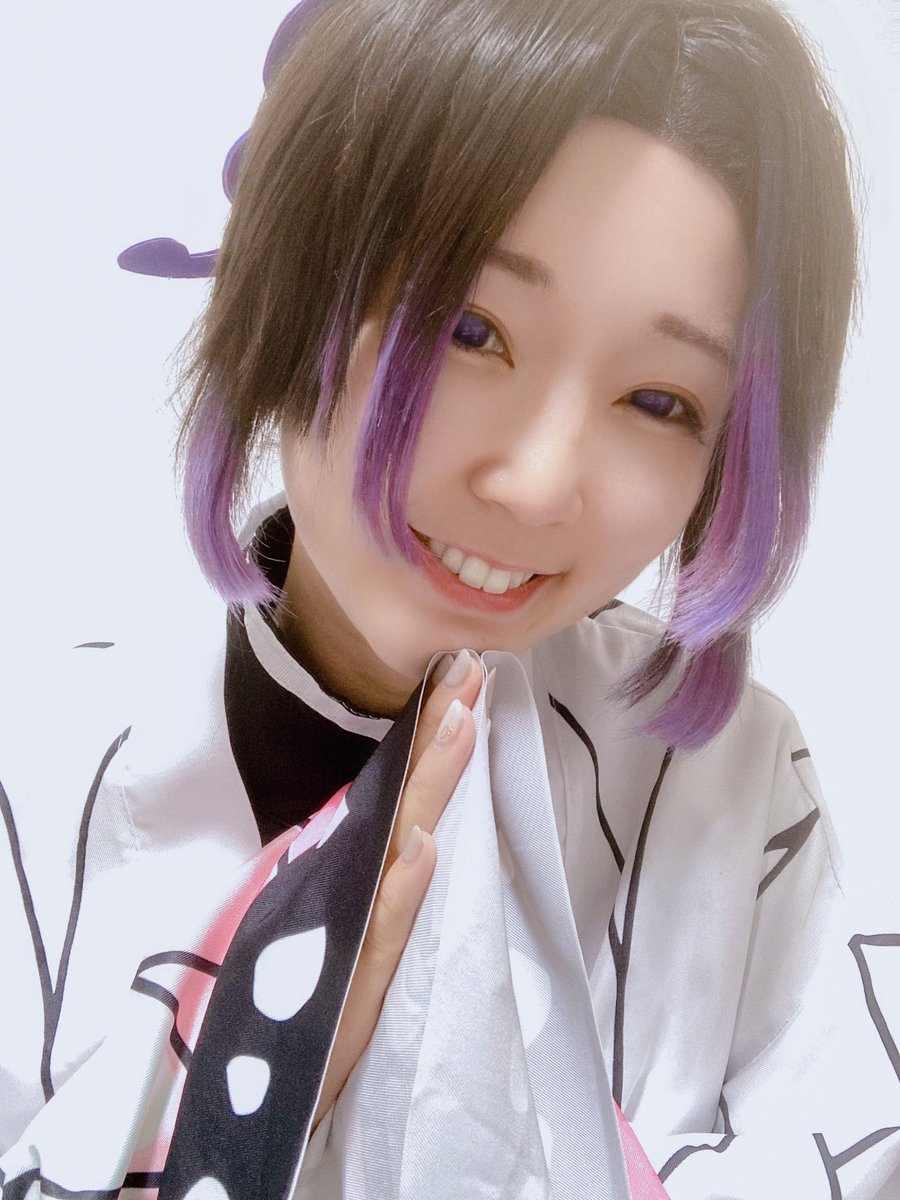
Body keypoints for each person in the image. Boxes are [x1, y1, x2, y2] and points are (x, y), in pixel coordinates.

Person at [1, 0, 898, 1197]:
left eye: (660, 402)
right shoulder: (32, 782)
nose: (535, 484)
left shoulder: (730, 794)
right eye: (472, 329)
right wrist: (262, 1075)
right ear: (292, 278)